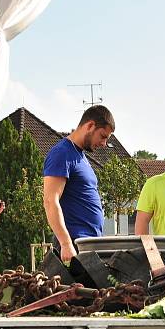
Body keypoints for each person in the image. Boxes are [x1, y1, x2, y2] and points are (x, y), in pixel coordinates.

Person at [43, 105, 115, 262]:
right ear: (90, 126)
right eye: (103, 136)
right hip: (74, 248)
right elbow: (50, 201)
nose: (104, 144)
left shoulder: (80, 156)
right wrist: (66, 243)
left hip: (88, 246)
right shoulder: (62, 153)